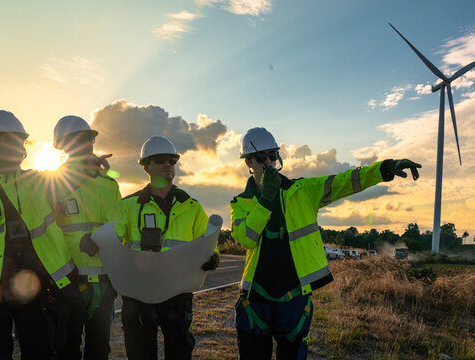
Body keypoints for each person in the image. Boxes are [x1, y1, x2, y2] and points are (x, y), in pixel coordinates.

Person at [230, 127, 421, 360]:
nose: (269, 162)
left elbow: (346, 181)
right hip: (255, 302)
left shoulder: (303, 191)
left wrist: (383, 169)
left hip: (294, 300)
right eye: (263, 157)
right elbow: (246, 239)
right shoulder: (240, 203)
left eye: (274, 155)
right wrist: (267, 199)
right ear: (248, 162)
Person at [0, 110, 79, 360]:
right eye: (4, 141)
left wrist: (86, 163)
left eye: (16, 141)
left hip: (31, 285)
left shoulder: (35, 181)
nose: (12, 147)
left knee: (39, 349)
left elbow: (68, 178)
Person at [111, 136, 220, 360]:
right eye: (160, 160)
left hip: (177, 294)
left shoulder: (191, 206)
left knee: (180, 352)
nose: (168, 165)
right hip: (139, 293)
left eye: (172, 160)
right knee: (140, 353)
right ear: (145, 166)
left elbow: (207, 241)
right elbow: (111, 242)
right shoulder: (127, 206)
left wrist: (214, 256)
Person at [50, 115, 121, 360]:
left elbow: (119, 227)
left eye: (90, 138)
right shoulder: (53, 181)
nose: (89, 143)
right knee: (67, 347)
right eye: (82, 139)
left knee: (99, 348)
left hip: (103, 280)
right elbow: (47, 229)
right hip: (69, 280)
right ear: (64, 145)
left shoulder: (110, 185)